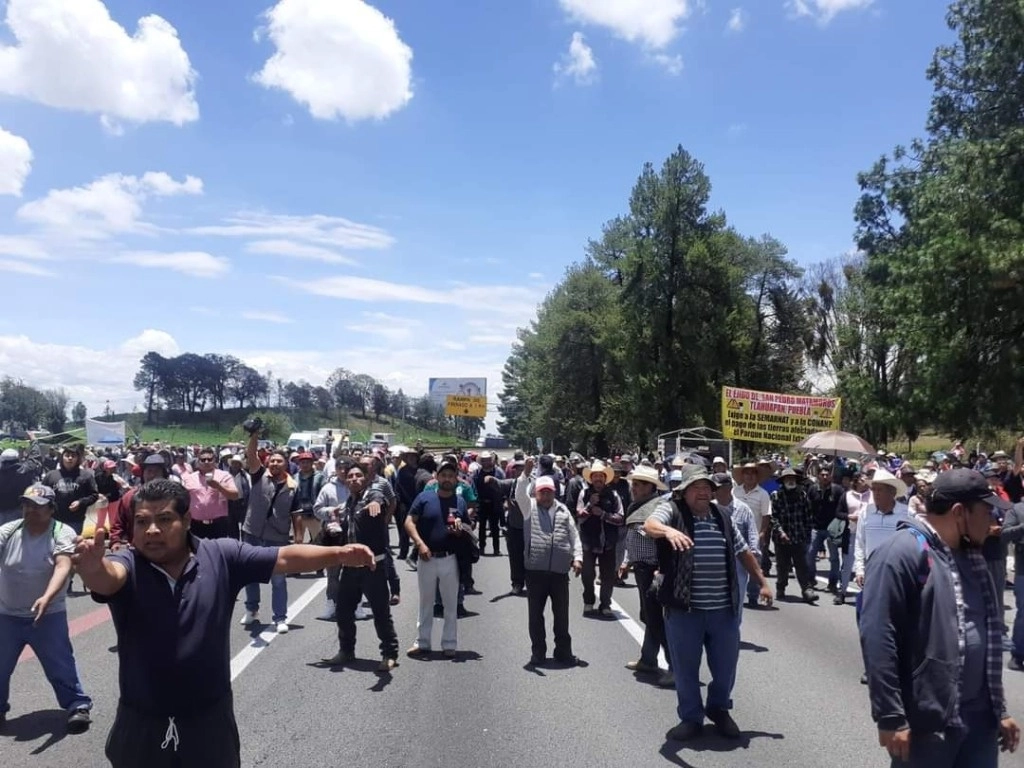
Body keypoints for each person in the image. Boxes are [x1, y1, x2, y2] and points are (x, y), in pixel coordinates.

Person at [74, 478, 375, 767]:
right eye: (141, 521)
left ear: (187, 519)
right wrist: (91, 568)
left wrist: (339, 553)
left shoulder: (220, 556)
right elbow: (107, 579)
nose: (152, 530)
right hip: (140, 724)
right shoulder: (128, 563)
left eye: (164, 519)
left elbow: (283, 558)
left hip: (209, 723)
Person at [861, 469, 1020, 767]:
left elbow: (984, 636)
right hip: (930, 725)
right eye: (987, 512)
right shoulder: (903, 553)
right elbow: (878, 636)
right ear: (960, 512)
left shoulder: (973, 557)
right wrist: (891, 716)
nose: (994, 521)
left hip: (979, 721)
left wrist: (1000, 710)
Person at [644, 465, 772, 742]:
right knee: (686, 668)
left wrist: (761, 581)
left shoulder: (722, 516)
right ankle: (690, 718)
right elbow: (649, 525)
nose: (703, 493)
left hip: (723, 609)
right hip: (684, 610)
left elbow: (743, 551)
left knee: (726, 667)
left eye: (707, 488)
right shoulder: (673, 512)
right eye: (696, 488)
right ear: (684, 492)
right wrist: (668, 531)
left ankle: (719, 708)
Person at [0, 484, 92, 733]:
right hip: (7, 614)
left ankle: (77, 705)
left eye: (38, 506)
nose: (30, 510)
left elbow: (63, 566)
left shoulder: (61, 532)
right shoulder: (9, 531)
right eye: (27, 505)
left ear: (51, 509)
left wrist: (47, 597)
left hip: (48, 614)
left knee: (59, 663)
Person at [323, 464, 399, 672]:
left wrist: (376, 502)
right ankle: (346, 651)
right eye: (350, 476)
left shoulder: (371, 495)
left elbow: (378, 498)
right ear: (345, 480)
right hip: (350, 567)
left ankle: (389, 654)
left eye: (358, 475)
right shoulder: (349, 503)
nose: (354, 479)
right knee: (343, 611)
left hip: (373, 566)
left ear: (366, 478)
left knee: (381, 612)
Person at [514, 461, 582, 667]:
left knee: (561, 617)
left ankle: (563, 652)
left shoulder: (562, 510)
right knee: (536, 616)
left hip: (559, 573)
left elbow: (574, 535)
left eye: (549, 492)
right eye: (541, 492)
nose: (545, 496)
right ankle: (538, 653)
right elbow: (519, 494)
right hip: (535, 572)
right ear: (536, 493)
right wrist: (525, 473)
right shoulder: (529, 507)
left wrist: (578, 557)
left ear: (554, 493)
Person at [404, 459, 471, 658]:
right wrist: (419, 543)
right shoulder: (424, 498)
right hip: (427, 558)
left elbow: (469, 527)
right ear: (437, 477)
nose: (447, 479)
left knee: (450, 604)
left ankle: (449, 643)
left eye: (451, 476)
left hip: (450, 559)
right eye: (444, 475)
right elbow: (409, 521)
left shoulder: (459, 502)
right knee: (426, 602)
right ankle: (422, 642)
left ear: (456, 479)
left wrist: (460, 530)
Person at [239, 430, 302, 633]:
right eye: (272, 461)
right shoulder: (258, 475)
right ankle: (252, 609)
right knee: (250, 575)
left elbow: (296, 514)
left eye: (279, 461)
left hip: (277, 538)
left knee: (278, 579)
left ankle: (280, 618)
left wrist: (299, 538)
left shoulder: (293, 486)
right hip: (252, 533)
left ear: (286, 464)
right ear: (267, 463)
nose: (275, 464)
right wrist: (254, 435)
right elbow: (251, 454)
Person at [618, 464, 673, 686]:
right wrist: (626, 561)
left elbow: (660, 539)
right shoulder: (636, 506)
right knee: (649, 616)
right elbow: (632, 537)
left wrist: (662, 568)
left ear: (651, 487)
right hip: (640, 567)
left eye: (640, 485)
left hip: (653, 567)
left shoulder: (658, 507)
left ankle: (675, 665)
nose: (635, 488)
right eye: (634, 484)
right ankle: (649, 659)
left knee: (655, 619)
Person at [576, 460, 624, 617]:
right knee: (587, 574)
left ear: (605, 478)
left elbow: (620, 518)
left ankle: (605, 604)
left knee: (608, 576)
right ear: (591, 478)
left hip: (608, 542)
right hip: (588, 541)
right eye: (595, 476)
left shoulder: (614, 495)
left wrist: (603, 515)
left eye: (600, 476)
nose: (598, 479)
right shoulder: (584, 493)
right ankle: (588, 601)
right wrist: (590, 506)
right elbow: (579, 515)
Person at [181, 447, 240, 540]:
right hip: (196, 524)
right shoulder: (189, 478)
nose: (206, 462)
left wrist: (218, 486)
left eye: (209, 459)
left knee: (218, 552)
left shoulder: (224, 476)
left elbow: (235, 496)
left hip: (218, 524)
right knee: (198, 551)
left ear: (215, 461)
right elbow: (183, 500)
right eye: (203, 460)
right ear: (198, 461)